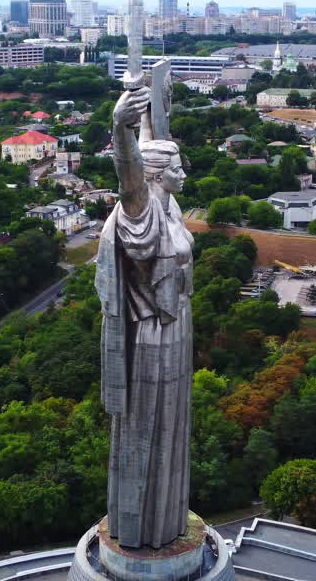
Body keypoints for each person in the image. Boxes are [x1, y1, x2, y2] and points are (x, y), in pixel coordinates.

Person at [95, 85, 194, 549]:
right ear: (157, 175)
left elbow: (155, 147)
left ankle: (168, 520)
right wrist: (119, 127)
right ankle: (141, 532)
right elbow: (131, 173)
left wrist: (157, 106)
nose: (184, 173)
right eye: (176, 166)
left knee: (174, 427)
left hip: (180, 330)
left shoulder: (169, 204)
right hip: (152, 339)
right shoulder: (142, 212)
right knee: (147, 428)